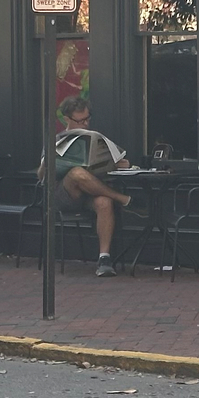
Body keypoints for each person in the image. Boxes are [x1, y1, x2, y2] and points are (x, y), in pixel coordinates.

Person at [49, 97, 136, 277]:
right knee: (76, 173)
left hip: (89, 193)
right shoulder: (56, 140)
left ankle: (104, 258)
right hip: (62, 195)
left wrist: (117, 163)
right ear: (67, 119)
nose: (85, 123)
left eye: (87, 119)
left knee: (104, 202)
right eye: (80, 121)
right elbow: (42, 176)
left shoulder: (93, 138)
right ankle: (121, 198)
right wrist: (46, 163)